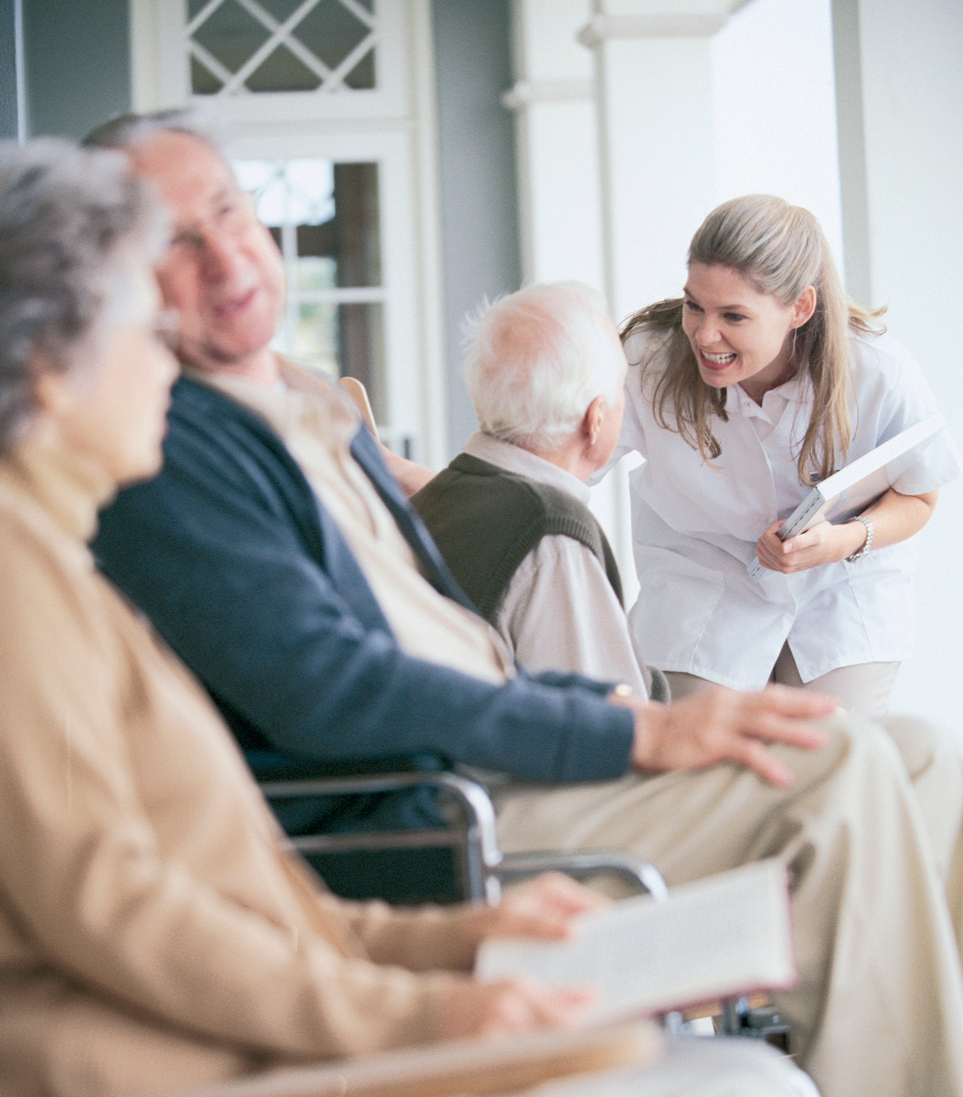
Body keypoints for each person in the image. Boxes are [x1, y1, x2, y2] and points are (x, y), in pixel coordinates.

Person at [83, 109, 963, 1097]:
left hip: (516, 753)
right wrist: (628, 729)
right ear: (117, 281)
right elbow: (328, 684)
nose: (223, 255)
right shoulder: (172, 445)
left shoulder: (302, 408)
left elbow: (429, 606)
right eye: (173, 239)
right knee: (840, 766)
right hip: (451, 810)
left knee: (923, 755)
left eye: (227, 210)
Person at [602, 194, 961, 718]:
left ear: (800, 308)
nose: (704, 334)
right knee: (699, 755)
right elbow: (569, 460)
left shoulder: (878, 371)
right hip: (701, 589)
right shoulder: (646, 360)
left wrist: (842, 540)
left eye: (733, 316)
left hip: (840, 592)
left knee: (831, 753)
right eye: (694, 305)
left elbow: (920, 496)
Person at [411, 280, 662, 700]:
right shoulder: (550, 537)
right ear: (595, 419)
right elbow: (602, 723)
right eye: (621, 390)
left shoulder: (432, 500)